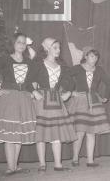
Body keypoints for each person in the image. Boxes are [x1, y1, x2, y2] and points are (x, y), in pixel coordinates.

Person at [26, 37, 76, 172]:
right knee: (41, 133)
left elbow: (70, 81)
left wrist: (69, 92)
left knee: (56, 132)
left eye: (59, 48)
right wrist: (34, 92)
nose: (58, 50)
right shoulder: (38, 64)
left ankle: (58, 164)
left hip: (56, 100)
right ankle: (42, 164)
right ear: (47, 48)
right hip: (42, 100)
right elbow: (27, 81)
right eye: (55, 47)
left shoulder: (62, 66)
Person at [0, 32, 36, 175]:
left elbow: (31, 82)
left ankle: (15, 166)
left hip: (23, 99)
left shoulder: (29, 62)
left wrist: (32, 92)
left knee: (18, 133)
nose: (22, 45)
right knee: (10, 133)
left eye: (24, 42)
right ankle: (11, 167)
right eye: (19, 42)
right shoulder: (4, 59)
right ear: (13, 44)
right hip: (9, 99)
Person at [67, 47, 110, 167]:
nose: (94, 59)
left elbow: (109, 84)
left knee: (91, 132)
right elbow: (63, 77)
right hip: (80, 101)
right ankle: (75, 158)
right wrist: (71, 92)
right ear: (85, 56)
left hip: (94, 102)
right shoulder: (77, 68)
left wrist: (105, 97)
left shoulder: (99, 70)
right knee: (80, 131)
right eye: (92, 56)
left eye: (96, 57)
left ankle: (90, 160)